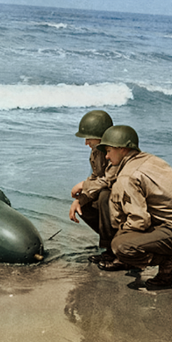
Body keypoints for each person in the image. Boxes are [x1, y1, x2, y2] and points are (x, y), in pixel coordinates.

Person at [96, 125, 172, 290]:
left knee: (121, 246)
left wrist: (121, 238)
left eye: (109, 150)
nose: (107, 156)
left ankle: (169, 264)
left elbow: (139, 221)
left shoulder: (127, 175)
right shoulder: (148, 159)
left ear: (122, 149)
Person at [69, 110, 117, 263]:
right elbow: (95, 177)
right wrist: (79, 200)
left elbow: (109, 180)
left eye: (89, 138)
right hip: (110, 197)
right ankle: (113, 245)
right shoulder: (96, 152)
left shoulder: (115, 151)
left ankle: (113, 249)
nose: (86, 143)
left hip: (124, 198)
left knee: (104, 196)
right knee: (83, 206)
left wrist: (84, 185)